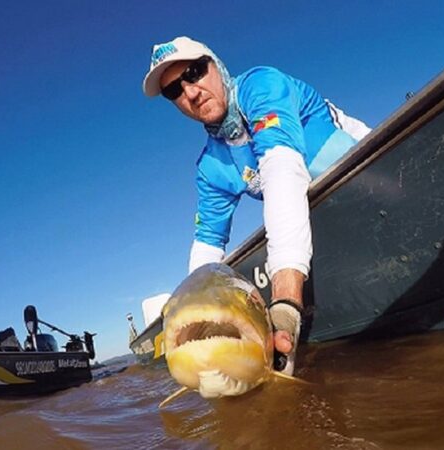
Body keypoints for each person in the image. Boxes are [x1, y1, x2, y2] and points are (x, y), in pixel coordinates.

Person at [142, 36, 370, 374]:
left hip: (368, 172)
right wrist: (196, 326)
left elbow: (282, 170)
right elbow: (206, 251)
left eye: (194, 72)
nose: (190, 92)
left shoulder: (261, 85)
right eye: (174, 90)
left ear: (216, 65)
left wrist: (286, 302)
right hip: (309, 209)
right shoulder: (210, 167)